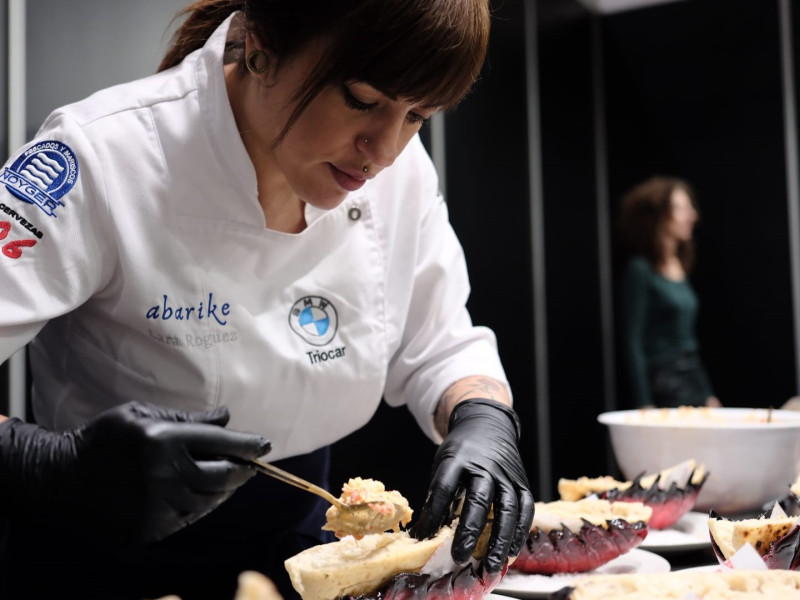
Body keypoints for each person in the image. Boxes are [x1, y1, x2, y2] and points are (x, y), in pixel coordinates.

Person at [0, 1, 535, 599]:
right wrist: (41, 461)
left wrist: (481, 415)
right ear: (259, 49)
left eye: (418, 115)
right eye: (361, 99)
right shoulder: (96, 157)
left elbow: (437, 340)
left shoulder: (399, 170)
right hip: (104, 553)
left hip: (303, 552)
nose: (384, 151)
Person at [617, 176, 721, 409]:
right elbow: (633, 341)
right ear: (659, 216)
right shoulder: (640, 270)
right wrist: (644, 402)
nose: (691, 215)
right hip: (662, 385)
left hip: (690, 381)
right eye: (681, 208)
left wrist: (707, 393)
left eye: (690, 207)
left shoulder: (681, 266)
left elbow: (688, 341)